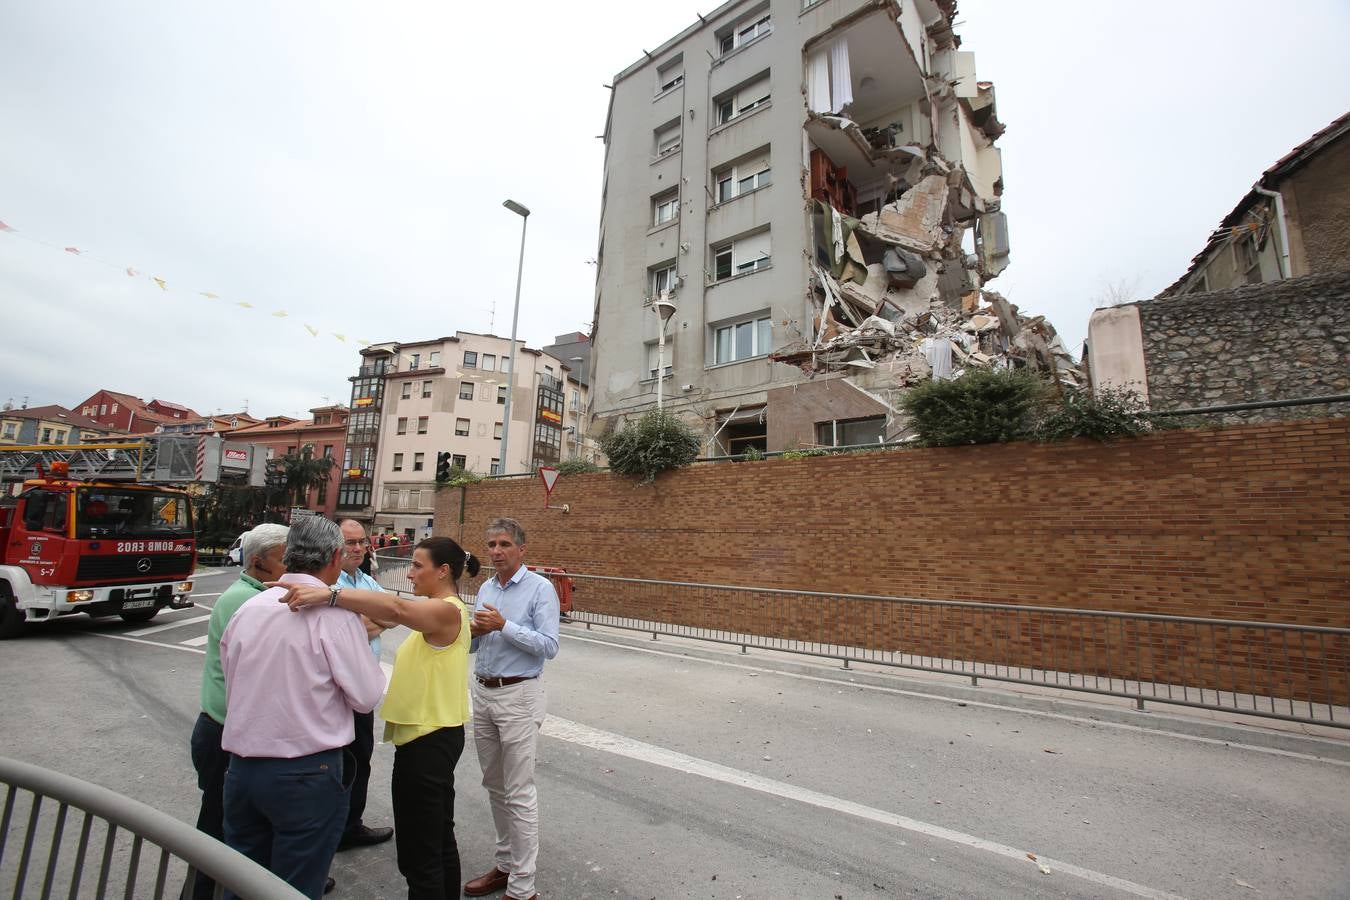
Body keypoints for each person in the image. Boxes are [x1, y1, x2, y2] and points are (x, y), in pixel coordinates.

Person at [278, 537, 481, 899]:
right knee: (437, 839)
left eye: (418, 565)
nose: (409, 572)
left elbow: (397, 608)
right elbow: (385, 616)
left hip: (428, 742)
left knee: (420, 852)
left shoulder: (447, 611)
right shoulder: (436, 609)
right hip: (429, 738)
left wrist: (330, 595)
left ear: (443, 571)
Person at [218, 516, 385, 899]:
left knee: (241, 880)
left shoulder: (251, 607)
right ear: (334, 558)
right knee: (295, 885)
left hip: (242, 769)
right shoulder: (335, 618)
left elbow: (233, 677)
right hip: (305, 773)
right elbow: (366, 695)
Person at [188, 523, 288, 900]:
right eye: (284, 558)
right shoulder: (244, 600)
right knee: (217, 825)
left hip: (232, 730)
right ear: (259, 561)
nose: (290, 565)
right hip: (223, 732)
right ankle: (203, 891)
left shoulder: (260, 592)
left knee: (241, 824)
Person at [462, 518, 559, 900]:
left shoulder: (540, 589)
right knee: (494, 786)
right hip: (484, 692)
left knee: (518, 791)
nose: (496, 551)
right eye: (491, 545)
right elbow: (477, 643)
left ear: (522, 549)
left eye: (504, 544)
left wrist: (503, 626)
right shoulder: (486, 586)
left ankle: (523, 887)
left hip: (519, 695)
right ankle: (505, 866)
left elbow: (549, 646)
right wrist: (472, 634)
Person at [334, 519, 396, 852]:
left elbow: (392, 615)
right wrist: (366, 622)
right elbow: (348, 630)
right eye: (349, 543)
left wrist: (363, 621)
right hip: (338, 693)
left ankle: (350, 826)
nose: (357, 549)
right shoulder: (331, 582)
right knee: (336, 764)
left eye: (361, 542)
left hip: (363, 693)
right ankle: (330, 831)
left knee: (361, 758)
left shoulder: (366, 580)